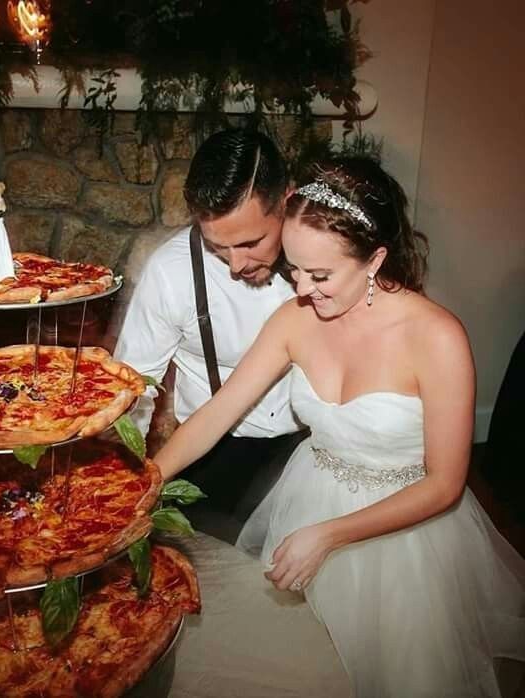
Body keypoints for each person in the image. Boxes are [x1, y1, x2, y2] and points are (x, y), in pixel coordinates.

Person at [155, 157, 525, 697]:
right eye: (294, 270)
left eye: (321, 275)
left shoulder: (437, 337)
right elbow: (216, 413)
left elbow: (445, 485)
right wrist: (144, 482)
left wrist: (329, 536)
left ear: (374, 259)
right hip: (312, 495)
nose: (302, 289)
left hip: (407, 530)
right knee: (307, 665)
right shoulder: (294, 319)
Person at [114, 129, 307, 536]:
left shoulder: (328, 268)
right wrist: (122, 474)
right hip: (211, 455)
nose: (236, 265)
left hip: (310, 452)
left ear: (286, 202)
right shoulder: (171, 273)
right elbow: (133, 386)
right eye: (218, 247)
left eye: (252, 242)